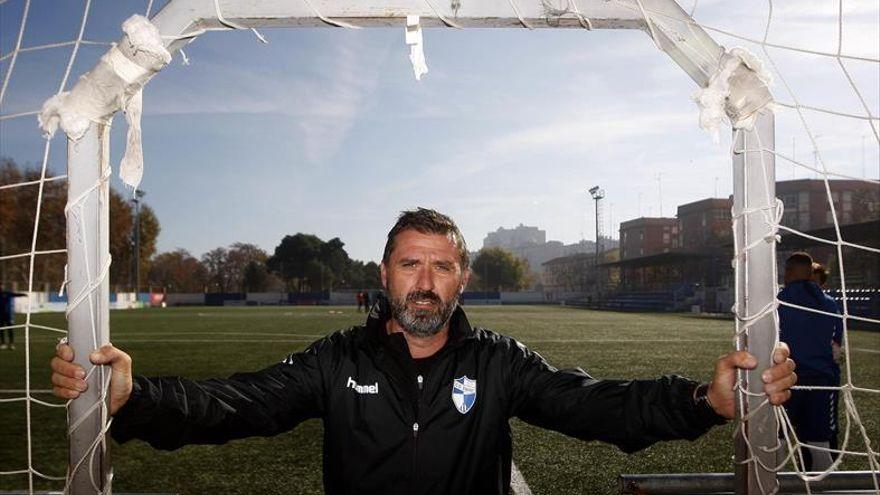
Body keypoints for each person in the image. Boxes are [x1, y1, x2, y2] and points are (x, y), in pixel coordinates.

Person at [50, 208, 797, 495]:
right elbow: (239, 402)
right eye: (411, 264)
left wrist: (704, 401)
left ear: (464, 279)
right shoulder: (336, 359)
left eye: (442, 266)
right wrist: (135, 399)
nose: (426, 282)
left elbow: (594, 403)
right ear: (385, 275)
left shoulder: (499, 360)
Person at [779, 253, 840, 471]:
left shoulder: (778, 301)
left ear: (789, 272)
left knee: (778, 439)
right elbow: (835, 344)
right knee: (820, 443)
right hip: (822, 382)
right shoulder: (830, 304)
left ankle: (770, 484)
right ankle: (824, 486)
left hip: (787, 381)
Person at [811, 261, 843, 459]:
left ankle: (830, 475)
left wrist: (835, 355)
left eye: (814, 282)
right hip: (803, 374)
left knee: (826, 426)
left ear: (822, 284)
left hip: (825, 376)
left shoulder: (829, 305)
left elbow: (836, 342)